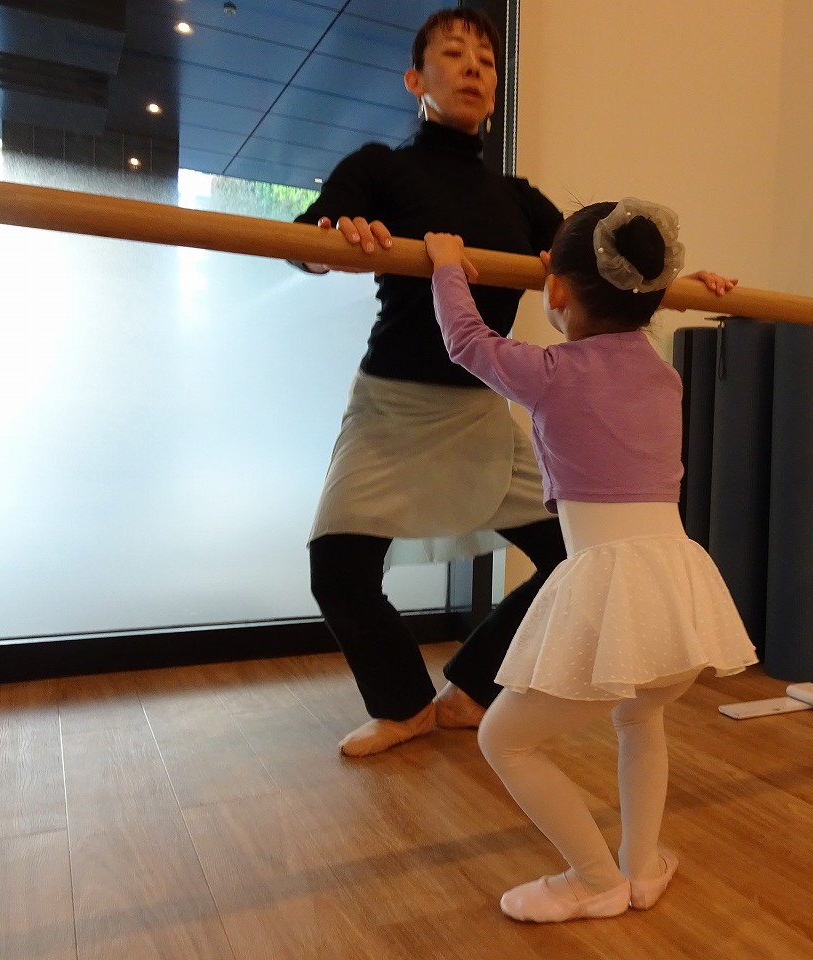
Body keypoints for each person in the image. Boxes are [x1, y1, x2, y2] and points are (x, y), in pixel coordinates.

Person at [424, 198, 759, 923]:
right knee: (641, 719)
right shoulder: (663, 375)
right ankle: (642, 866)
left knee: (504, 738)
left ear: (555, 287)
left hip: (615, 585)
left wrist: (447, 266)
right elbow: (628, 318)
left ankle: (593, 879)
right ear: (653, 296)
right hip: (678, 589)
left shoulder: (551, 371)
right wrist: (686, 285)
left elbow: (467, 341)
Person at [290, 8, 569, 758]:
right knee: (337, 569)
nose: (474, 67)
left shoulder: (519, 199)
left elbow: (597, 261)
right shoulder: (381, 168)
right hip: (391, 405)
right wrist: (333, 238)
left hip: (479, 412)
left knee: (576, 556)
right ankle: (404, 706)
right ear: (416, 80)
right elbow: (309, 237)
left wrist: (685, 276)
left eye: (486, 59)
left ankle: (472, 689)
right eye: (453, 53)